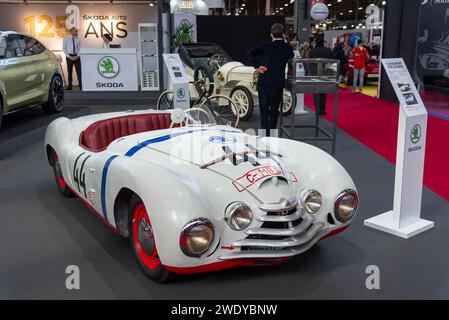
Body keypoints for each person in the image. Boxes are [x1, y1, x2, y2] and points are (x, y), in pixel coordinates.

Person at [248, 23, 294, 136]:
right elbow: (291, 56)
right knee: (274, 111)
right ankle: (271, 135)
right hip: (277, 83)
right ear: (283, 34)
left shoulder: (265, 46)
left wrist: (258, 66)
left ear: (271, 35)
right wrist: (285, 41)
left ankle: (264, 136)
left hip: (264, 82)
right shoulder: (287, 47)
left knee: (264, 110)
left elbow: (250, 53)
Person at [309, 38, 332, 115]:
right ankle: (323, 109)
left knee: (316, 92)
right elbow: (331, 62)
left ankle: (317, 110)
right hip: (325, 73)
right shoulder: (328, 51)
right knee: (324, 92)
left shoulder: (312, 51)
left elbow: (310, 62)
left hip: (315, 73)